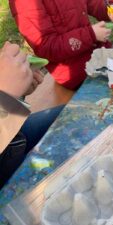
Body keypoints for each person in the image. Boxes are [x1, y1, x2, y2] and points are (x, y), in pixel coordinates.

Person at [9, 0, 113, 90]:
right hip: (76, 73)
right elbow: (45, 46)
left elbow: (93, 3)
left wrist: (110, 9)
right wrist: (90, 35)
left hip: (99, 56)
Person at [0, 42, 64, 189]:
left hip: (13, 139)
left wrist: (16, 96)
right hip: (7, 178)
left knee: (74, 115)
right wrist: (5, 96)